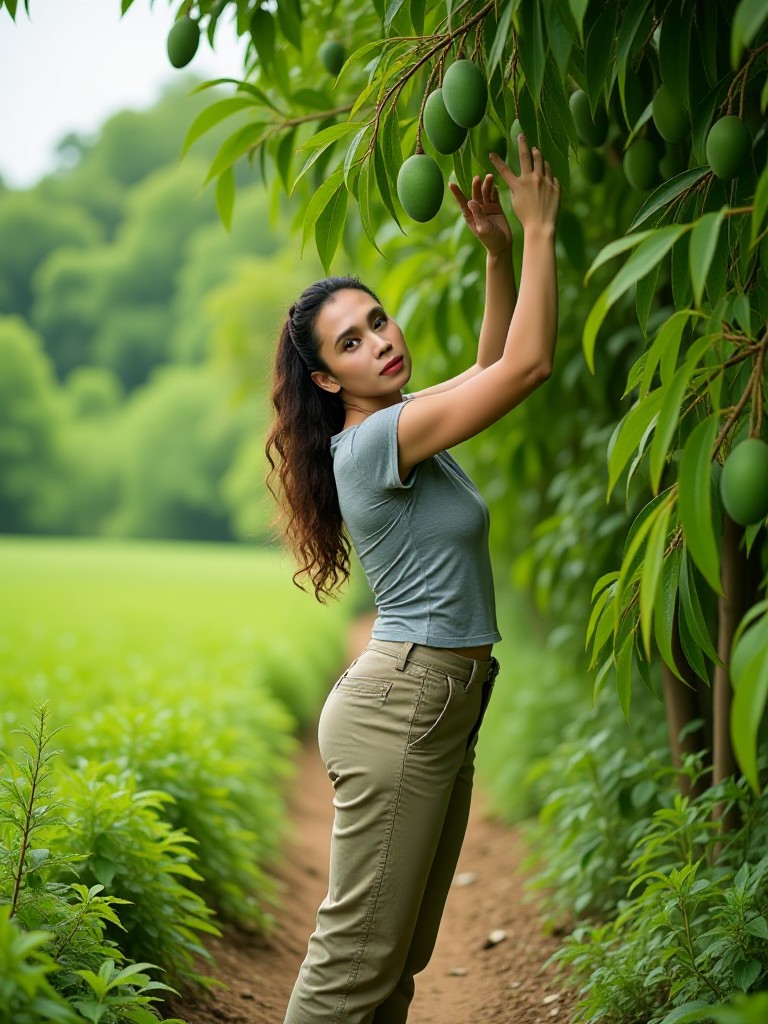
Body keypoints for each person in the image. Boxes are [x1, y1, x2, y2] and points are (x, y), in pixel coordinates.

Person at [265, 134, 561, 1024]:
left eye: (379, 320)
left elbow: (488, 367)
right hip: (405, 707)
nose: (380, 343)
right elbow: (527, 367)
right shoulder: (376, 443)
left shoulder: (402, 424)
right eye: (351, 343)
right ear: (328, 379)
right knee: (353, 967)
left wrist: (497, 256)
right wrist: (540, 231)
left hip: (437, 704)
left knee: (396, 961)